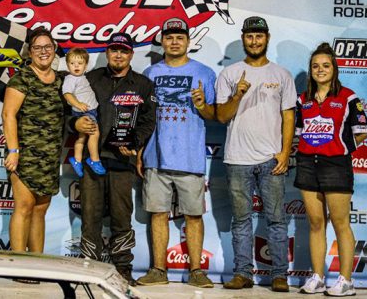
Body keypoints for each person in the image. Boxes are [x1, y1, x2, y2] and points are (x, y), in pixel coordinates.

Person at [215, 16, 296, 292]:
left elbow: (288, 116)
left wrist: (285, 152)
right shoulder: (229, 73)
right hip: (237, 159)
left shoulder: (281, 74)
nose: (254, 41)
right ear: (243, 39)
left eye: (259, 36)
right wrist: (237, 96)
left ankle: (279, 275)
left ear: (267, 38)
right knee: (241, 220)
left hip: (271, 158)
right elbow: (222, 117)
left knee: (276, 219)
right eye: (249, 36)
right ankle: (242, 273)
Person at [136, 18, 216, 288]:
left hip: (190, 157)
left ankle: (196, 271)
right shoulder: (149, 73)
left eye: (179, 37)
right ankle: (158, 269)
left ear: (188, 42)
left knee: (194, 216)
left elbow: (213, 114)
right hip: (155, 156)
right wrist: (140, 149)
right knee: (157, 214)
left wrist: (203, 105)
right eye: (169, 37)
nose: (174, 41)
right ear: (162, 40)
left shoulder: (205, 73)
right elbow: (144, 116)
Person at [72, 32, 157, 285]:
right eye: (113, 50)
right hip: (92, 159)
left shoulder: (142, 84)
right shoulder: (90, 79)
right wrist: (75, 122)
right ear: (107, 53)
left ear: (131, 54)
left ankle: (122, 268)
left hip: (122, 161)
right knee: (90, 215)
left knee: (122, 215)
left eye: (123, 50)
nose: (118, 54)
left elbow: (148, 121)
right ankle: (89, 267)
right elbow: (71, 110)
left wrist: (134, 142)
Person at [296, 43, 367, 296]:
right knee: (316, 222)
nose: (320, 70)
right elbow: (297, 132)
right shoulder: (302, 99)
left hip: (336, 165)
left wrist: (338, 148)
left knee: (340, 222)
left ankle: (346, 281)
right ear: (310, 71)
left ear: (334, 69)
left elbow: (361, 132)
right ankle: (317, 277)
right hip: (306, 163)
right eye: (315, 66)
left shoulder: (348, 97)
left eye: (326, 65)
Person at [2, 27, 64, 255]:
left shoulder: (62, 80)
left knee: (40, 209)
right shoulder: (22, 78)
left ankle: (37, 262)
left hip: (49, 156)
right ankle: (18, 263)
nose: (43, 51)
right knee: (25, 207)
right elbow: (8, 115)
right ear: (29, 52)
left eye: (48, 47)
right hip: (25, 154)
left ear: (55, 50)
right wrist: (13, 150)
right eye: (38, 47)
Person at [63, 48, 106, 177]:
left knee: (82, 137)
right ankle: (94, 160)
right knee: (94, 133)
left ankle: (76, 160)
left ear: (86, 65)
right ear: (67, 65)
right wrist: (78, 104)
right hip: (85, 112)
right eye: (72, 63)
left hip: (90, 111)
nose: (76, 66)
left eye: (80, 63)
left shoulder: (81, 77)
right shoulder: (70, 79)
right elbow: (67, 94)